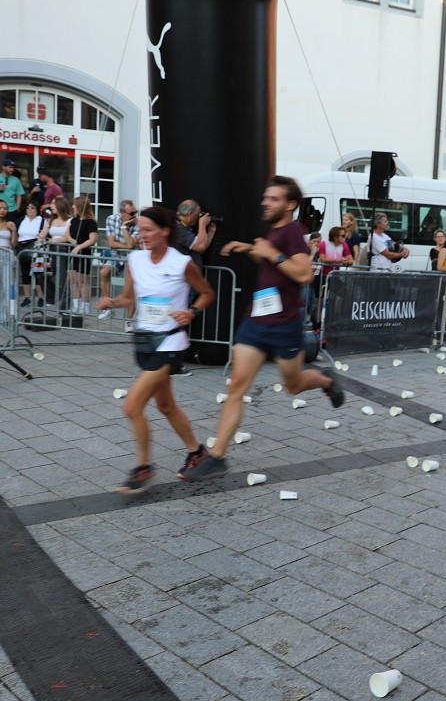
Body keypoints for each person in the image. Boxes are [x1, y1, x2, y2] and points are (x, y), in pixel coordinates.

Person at [183, 176, 345, 480]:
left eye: (273, 199)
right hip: (257, 320)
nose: (264, 202)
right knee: (236, 387)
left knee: (293, 385)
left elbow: (304, 274)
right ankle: (218, 456)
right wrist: (248, 247)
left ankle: (325, 380)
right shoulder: (274, 231)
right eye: (265, 197)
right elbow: (272, 261)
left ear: (290, 205)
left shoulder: (294, 233)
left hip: (284, 325)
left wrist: (272, 254)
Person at [97, 206, 215, 494]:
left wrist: (191, 312)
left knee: (132, 406)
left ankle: (143, 466)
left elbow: (207, 293)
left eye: (148, 229)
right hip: (144, 340)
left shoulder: (181, 262)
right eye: (140, 229)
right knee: (165, 406)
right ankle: (197, 452)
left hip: (170, 342)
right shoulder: (135, 259)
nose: (142, 235)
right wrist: (113, 303)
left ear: (165, 231)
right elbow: (129, 298)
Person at [99, 200, 139, 326]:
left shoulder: (137, 223)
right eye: (132, 213)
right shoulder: (111, 219)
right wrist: (127, 246)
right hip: (117, 255)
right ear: (122, 213)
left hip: (133, 257)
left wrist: (124, 227)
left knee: (130, 286)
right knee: (104, 272)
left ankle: (128, 320)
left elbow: (131, 243)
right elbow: (111, 243)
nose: (134, 215)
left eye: (135, 212)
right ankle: (108, 307)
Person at [66, 196, 99, 314]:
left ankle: (85, 306)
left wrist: (79, 246)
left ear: (80, 207)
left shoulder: (90, 222)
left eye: (75, 205)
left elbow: (93, 239)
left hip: (84, 253)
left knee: (83, 281)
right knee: (73, 280)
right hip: (73, 252)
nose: (73, 207)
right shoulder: (74, 220)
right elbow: (67, 234)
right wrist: (73, 242)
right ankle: (75, 305)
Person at [16, 202, 46, 308]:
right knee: (24, 273)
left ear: (37, 209)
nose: (30, 209)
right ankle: (27, 297)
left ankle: (41, 297)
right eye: (28, 207)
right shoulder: (21, 220)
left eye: (33, 207)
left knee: (37, 273)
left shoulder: (42, 221)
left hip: (35, 247)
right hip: (22, 247)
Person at [173, 199, 216, 268]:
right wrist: (202, 224)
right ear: (190, 214)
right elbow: (200, 246)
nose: (198, 218)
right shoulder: (178, 229)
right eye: (198, 214)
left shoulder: (183, 227)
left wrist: (210, 233)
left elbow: (198, 251)